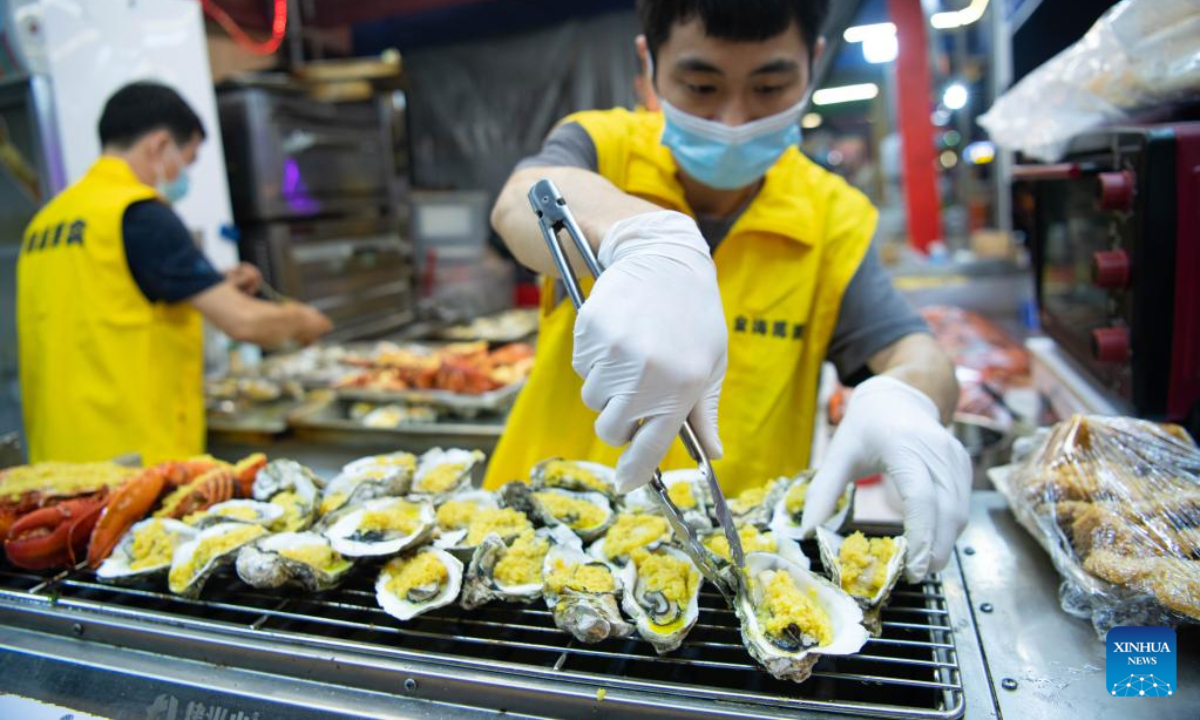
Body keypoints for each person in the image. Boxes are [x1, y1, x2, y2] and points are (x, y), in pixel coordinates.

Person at [484, 0, 971, 581]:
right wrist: (642, 238)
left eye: (769, 87)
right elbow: (520, 201)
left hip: (723, 563)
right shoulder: (601, 146)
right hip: (534, 552)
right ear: (649, 69)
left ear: (812, 63)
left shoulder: (831, 216)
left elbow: (918, 354)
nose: (734, 120)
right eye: (700, 85)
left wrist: (906, 398)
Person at [17, 81, 332, 465]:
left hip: (57, 458)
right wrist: (303, 320)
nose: (185, 173)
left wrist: (214, 284)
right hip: (132, 464)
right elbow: (244, 323)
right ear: (159, 145)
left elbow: (105, 300)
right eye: (188, 159)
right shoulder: (140, 213)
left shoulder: (48, 220)